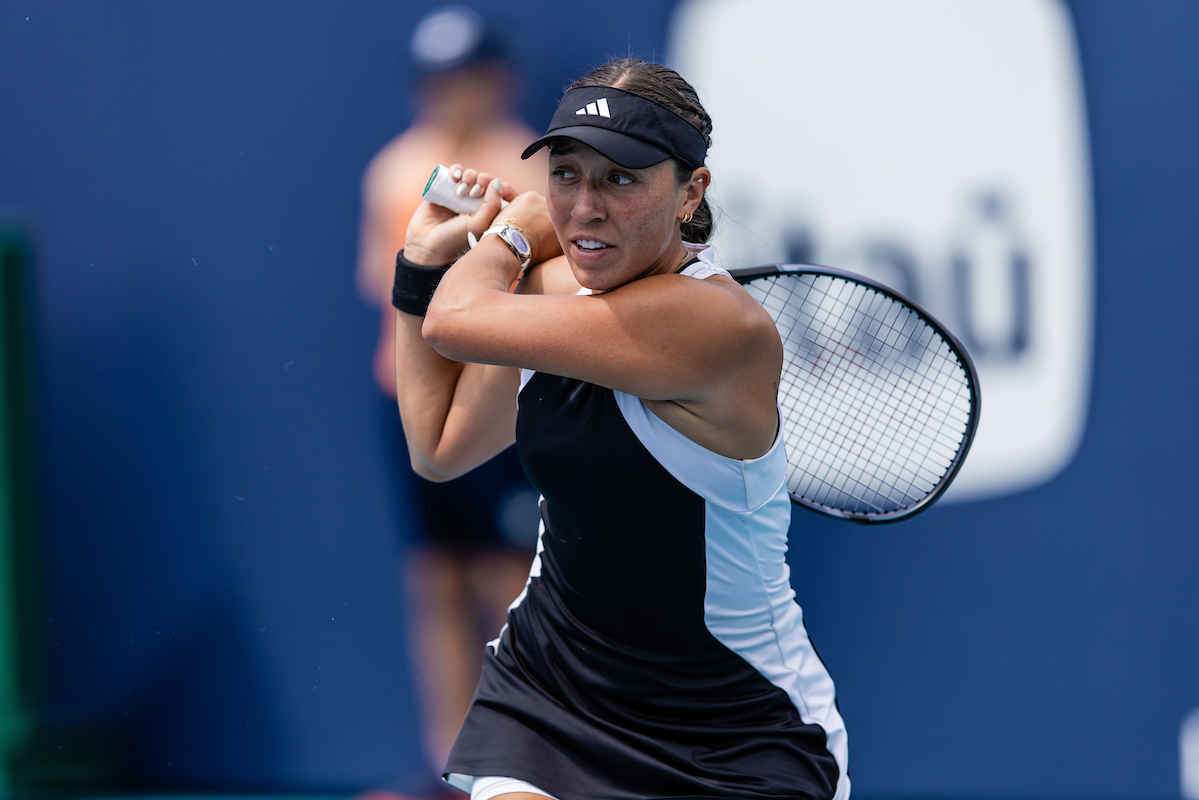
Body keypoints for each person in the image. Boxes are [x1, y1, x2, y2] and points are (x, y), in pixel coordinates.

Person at [391, 58, 849, 800]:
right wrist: (417, 263)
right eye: (566, 175)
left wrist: (510, 234)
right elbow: (438, 448)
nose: (584, 206)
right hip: (549, 696)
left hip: (735, 730)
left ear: (690, 192)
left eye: (621, 179)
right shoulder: (549, 296)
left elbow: (456, 318)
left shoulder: (717, 325)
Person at [355, 6, 546, 787]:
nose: (452, 95)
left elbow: (538, 285)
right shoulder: (394, 172)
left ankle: (525, 754)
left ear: (499, 81)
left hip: (499, 404)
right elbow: (383, 280)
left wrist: (471, 253)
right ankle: (450, 767)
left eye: (467, 78)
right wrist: (441, 252)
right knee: (435, 577)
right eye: (438, 81)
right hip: (405, 397)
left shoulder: (531, 169)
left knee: (509, 579)